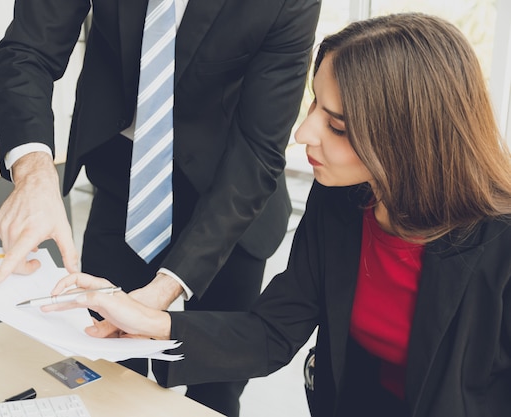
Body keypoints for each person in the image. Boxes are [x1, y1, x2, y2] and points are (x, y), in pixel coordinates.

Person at [41, 13, 511, 417]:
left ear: (408, 138)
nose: (304, 133)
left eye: (338, 125)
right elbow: (271, 332)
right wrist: (148, 320)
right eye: (313, 105)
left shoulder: (500, 241)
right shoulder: (342, 205)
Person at [0, 1, 321, 415]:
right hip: (125, 183)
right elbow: (28, 50)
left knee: (213, 391)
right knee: (102, 368)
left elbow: (259, 148)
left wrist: (163, 292)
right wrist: (33, 170)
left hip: (232, 200)